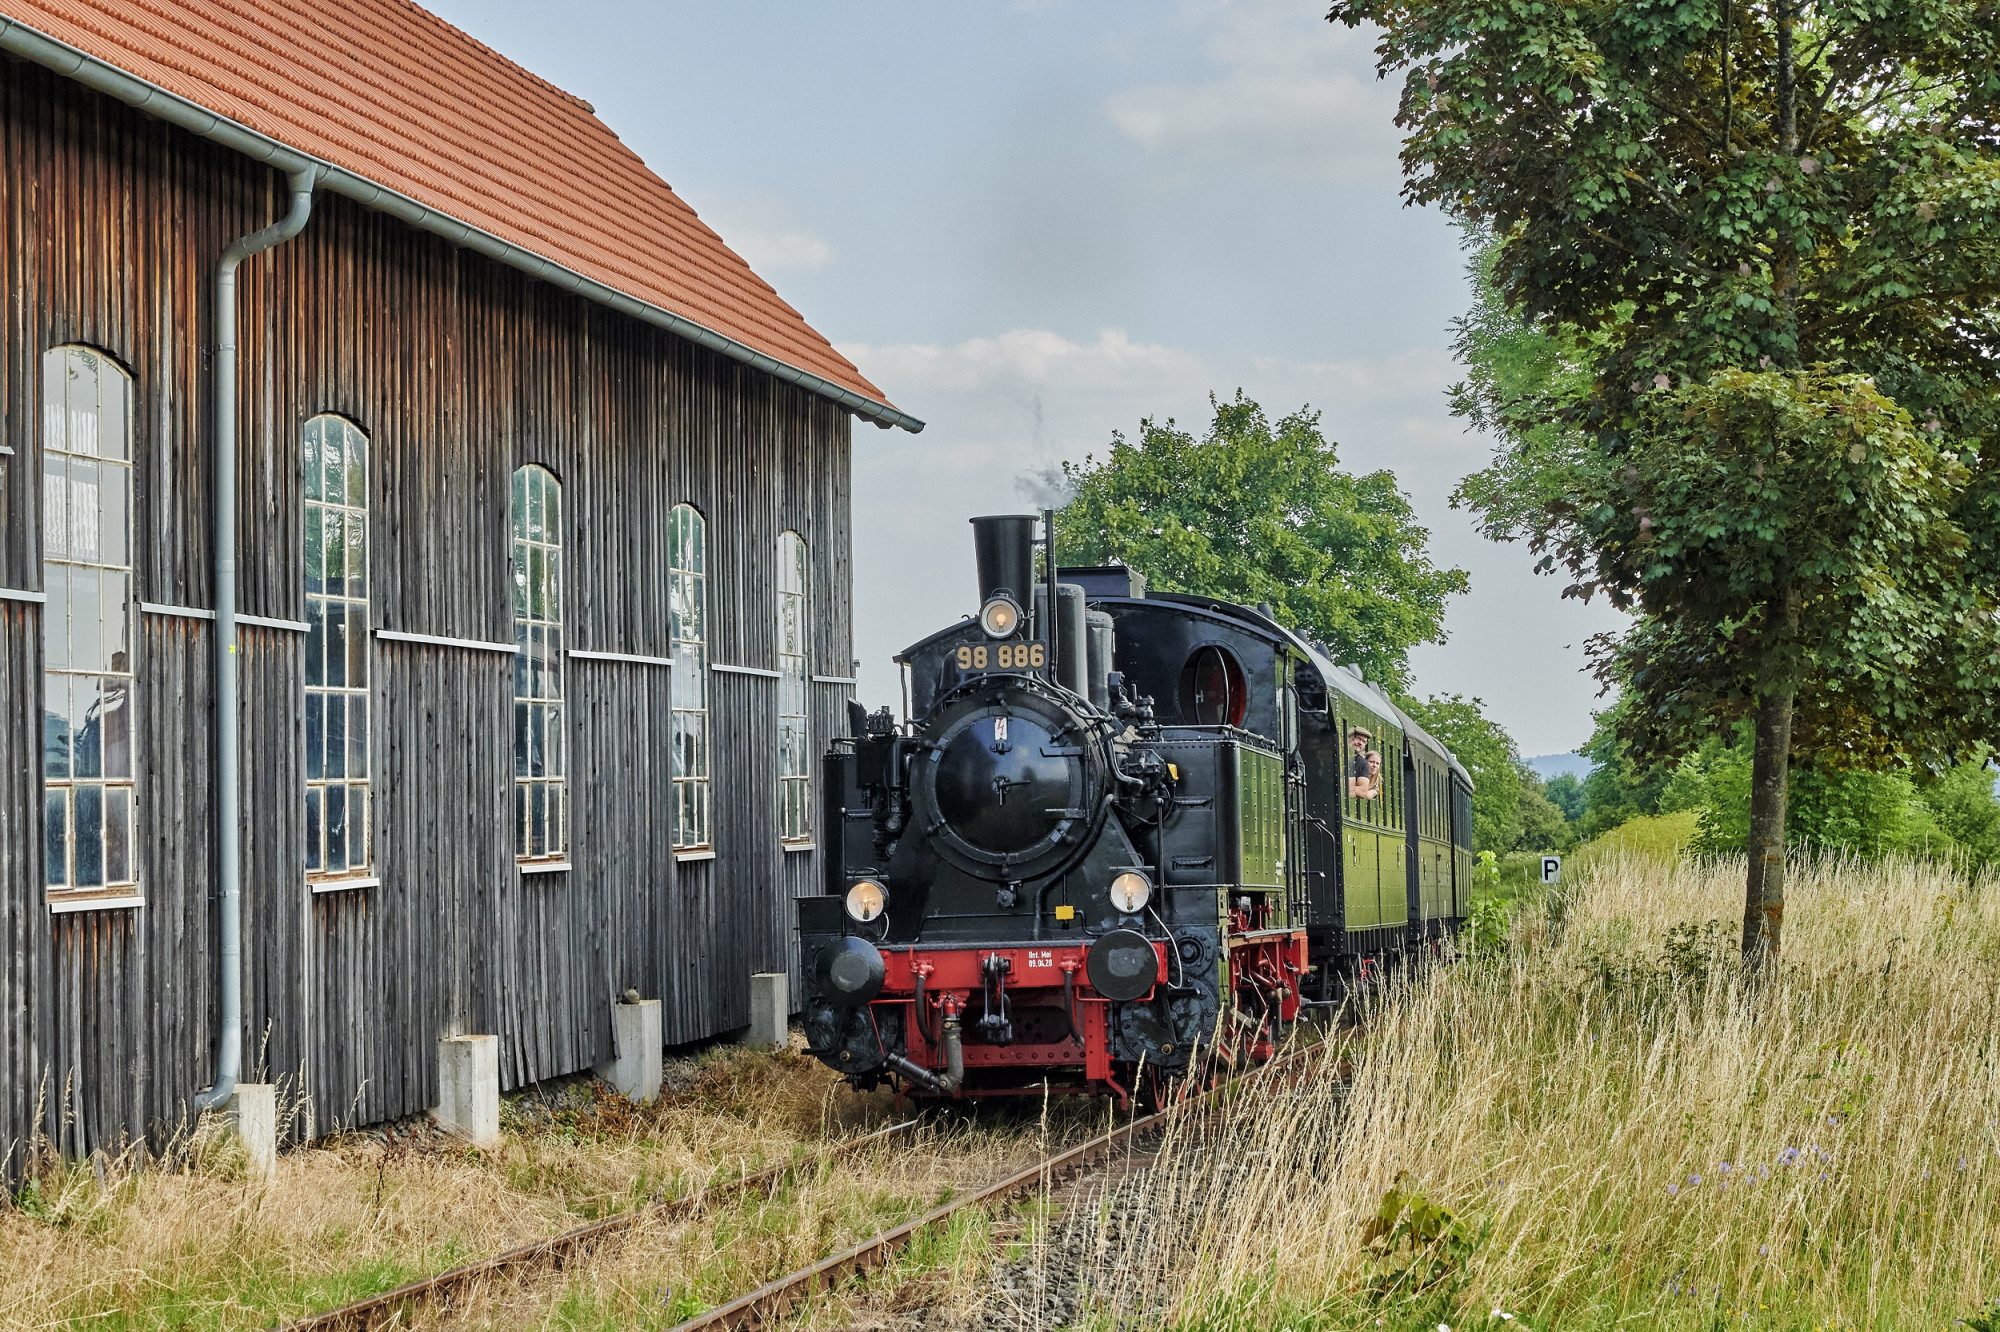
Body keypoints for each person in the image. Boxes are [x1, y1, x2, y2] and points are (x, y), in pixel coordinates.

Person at [1348, 727, 1377, 799]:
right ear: (1350, 738)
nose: (1360, 743)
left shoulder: (1362, 763)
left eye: (1363, 741)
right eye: (1358, 738)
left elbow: (1362, 791)